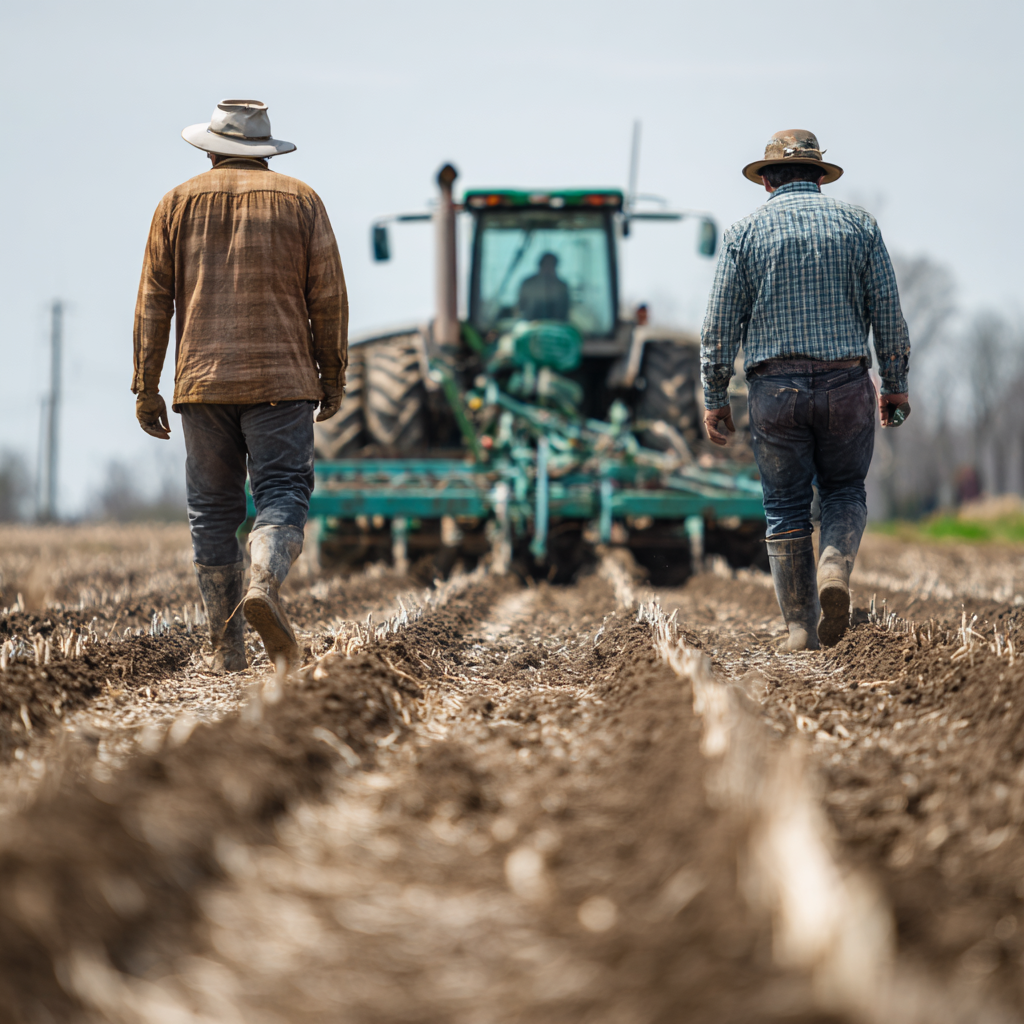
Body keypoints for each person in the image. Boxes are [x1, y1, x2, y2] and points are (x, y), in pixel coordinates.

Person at [133, 99, 347, 671]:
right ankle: (264, 583)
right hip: (283, 379)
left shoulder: (175, 203)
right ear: (264, 152)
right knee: (281, 491)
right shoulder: (302, 201)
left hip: (202, 383)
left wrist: (146, 385)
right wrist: (333, 375)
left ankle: (224, 649)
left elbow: (153, 302)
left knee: (211, 510)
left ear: (209, 148)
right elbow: (327, 299)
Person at [700, 129, 910, 651]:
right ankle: (834, 566)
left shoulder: (744, 234)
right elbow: (888, 314)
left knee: (785, 507)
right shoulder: (859, 226)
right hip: (847, 384)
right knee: (844, 490)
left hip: (775, 393)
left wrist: (714, 396)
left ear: (767, 180)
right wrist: (896, 384)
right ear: (819, 176)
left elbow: (718, 327)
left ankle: (799, 628)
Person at [517, 252, 570, 321]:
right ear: (540, 266)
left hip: (557, 326)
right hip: (531, 326)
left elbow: (565, 311)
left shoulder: (562, 287)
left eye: (551, 265)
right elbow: (520, 307)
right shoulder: (528, 284)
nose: (548, 269)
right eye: (546, 265)